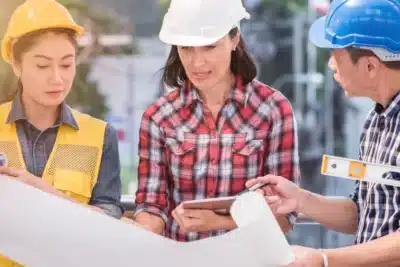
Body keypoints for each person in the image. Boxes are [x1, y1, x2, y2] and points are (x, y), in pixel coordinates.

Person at [247, 0, 400, 266]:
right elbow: (363, 212)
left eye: (335, 55)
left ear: (370, 67)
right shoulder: (376, 121)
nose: (330, 65)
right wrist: (300, 199)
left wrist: (324, 259)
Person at [133, 0, 300, 242]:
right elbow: (151, 205)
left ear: (234, 39)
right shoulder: (159, 117)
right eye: (186, 48)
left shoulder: (272, 110)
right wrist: (141, 231)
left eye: (209, 47)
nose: (197, 63)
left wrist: (222, 222)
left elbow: (284, 215)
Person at [0, 0, 124, 265]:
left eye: (66, 65)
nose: (56, 78)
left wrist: (48, 196)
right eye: (43, 66)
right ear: (16, 64)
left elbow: (111, 228)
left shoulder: (100, 136)